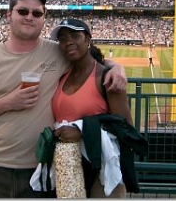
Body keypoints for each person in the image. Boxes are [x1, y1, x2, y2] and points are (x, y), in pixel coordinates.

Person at [0, 0, 128, 198]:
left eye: (37, 13)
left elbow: (92, 61)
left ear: (43, 18)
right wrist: (9, 102)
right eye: (23, 11)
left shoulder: (57, 51)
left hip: (42, 168)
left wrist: (117, 68)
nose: (29, 17)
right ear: (9, 15)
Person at [49, 19, 134, 198]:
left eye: (75, 36)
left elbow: (126, 128)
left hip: (102, 172)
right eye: (63, 39)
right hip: (67, 170)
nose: (68, 42)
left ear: (88, 39)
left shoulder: (106, 78)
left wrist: (82, 131)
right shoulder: (62, 75)